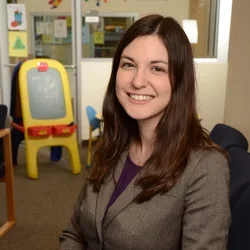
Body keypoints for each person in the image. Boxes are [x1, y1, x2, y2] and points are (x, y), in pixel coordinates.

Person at [58, 14, 231, 250]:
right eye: (128, 64)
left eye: (157, 69)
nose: (138, 81)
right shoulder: (112, 144)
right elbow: (75, 235)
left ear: (180, 80)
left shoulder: (205, 167)